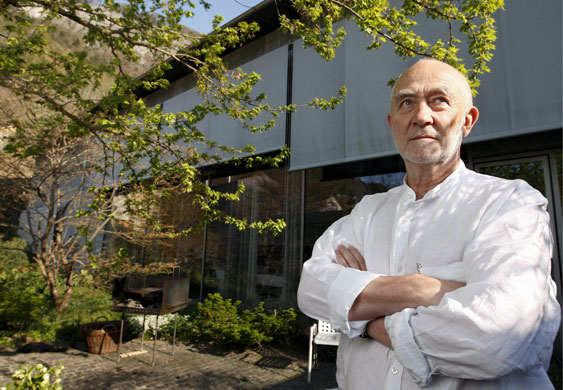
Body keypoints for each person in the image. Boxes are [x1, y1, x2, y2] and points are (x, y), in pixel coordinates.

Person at [297, 58, 561, 389]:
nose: (421, 116)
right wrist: (421, 288)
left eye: (439, 100)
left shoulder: (509, 204)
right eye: (407, 102)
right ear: (392, 122)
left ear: (467, 121)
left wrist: (364, 317)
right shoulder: (367, 211)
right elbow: (311, 288)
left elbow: (497, 337)